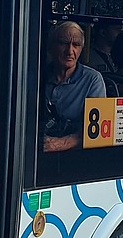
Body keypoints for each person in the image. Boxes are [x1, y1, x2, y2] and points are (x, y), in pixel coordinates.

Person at [42, 21, 106, 152]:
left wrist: (62, 143)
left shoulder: (93, 79)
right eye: (63, 43)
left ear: (81, 49)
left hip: (75, 155)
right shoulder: (39, 75)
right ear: (52, 46)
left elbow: (96, 130)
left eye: (76, 45)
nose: (69, 51)